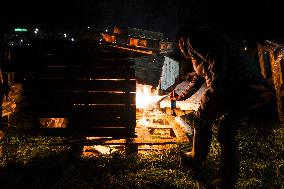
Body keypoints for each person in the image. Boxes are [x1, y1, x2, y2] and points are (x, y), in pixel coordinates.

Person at [173, 26, 275, 189]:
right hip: (251, 86)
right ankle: (227, 180)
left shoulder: (194, 39)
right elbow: (199, 77)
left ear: (182, 40)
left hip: (236, 86)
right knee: (227, 130)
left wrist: (214, 90)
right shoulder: (200, 48)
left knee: (201, 119)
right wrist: (180, 96)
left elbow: (218, 59)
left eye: (179, 45)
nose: (180, 49)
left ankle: (195, 158)